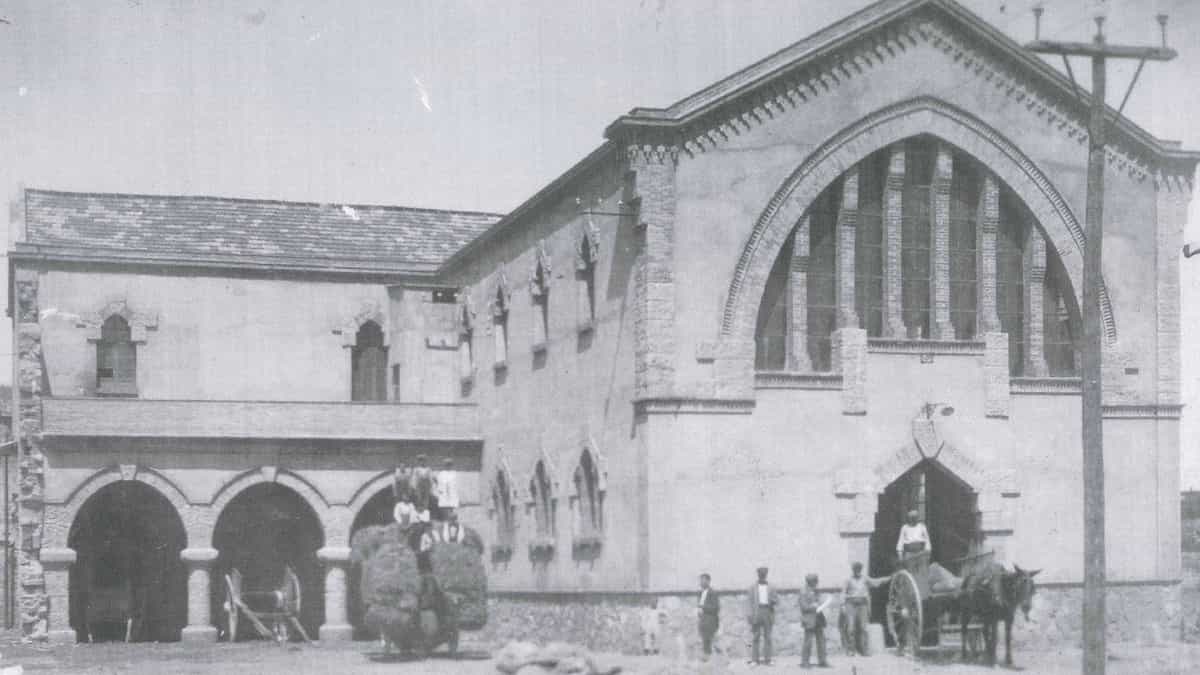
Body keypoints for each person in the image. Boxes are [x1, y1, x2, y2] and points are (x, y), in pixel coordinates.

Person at [842, 562, 886, 656]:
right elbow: (843, 593)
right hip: (851, 604)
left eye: (859, 569)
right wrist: (843, 605)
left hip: (863, 604)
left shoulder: (865, 578)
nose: (857, 571)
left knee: (864, 627)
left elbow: (875, 582)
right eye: (856, 569)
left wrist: (886, 579)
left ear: (861, 569)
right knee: (851, 627)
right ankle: (851, 650)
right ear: (853, 570)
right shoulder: (848, 580)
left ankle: (864, 650)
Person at [799, 573, 829, 668]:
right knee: (808, 641)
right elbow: (803, 607)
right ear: (809, 582)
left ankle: (823, 661)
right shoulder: (803, 592)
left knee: (821, 641)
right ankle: (805, 662)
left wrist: (822, 604)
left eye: (816, 582)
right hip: (809, 619)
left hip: (818, 618)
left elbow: (819, 602)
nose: (816, 584)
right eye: (815, 582)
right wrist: (813, 606)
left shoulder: (816, 591)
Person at [747, 566, 775, 666]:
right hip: (757, 611)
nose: (762, 576)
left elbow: (776, 599)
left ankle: (768, 659)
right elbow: (750, 602)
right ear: (758, 575)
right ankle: (755, 659)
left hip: (767, 611)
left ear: (766, 575)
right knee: (756, 636)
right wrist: (750, 615)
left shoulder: (771, 587)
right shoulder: (752, 587)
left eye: (764, 574)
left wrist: (773, 600)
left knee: (768, 636)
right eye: (761, 574)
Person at [697, 573, 720, 660]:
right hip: (702, 620)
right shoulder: (700, 593)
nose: (701, 582)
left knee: (710, 639)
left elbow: (716, 607)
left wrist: (703, 607)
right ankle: (706, 657)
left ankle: (710, 657)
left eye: (703, 580)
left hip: (710, 620)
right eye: (700, 580)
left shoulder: (712, 593)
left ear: (708, 581)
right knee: (704, 639)